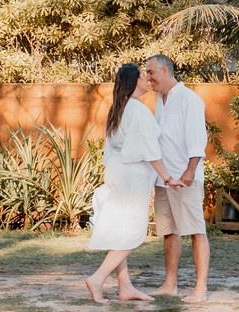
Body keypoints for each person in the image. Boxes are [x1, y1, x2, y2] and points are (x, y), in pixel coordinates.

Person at [85, 63, 178, 304]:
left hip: (118, 172)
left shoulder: (119, 107)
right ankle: (98, 278)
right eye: (143, 75)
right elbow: (149, 150)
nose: (147, 78)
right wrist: (167, 177)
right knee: (131, 231)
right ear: (134, 81)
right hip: (132, 177)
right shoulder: (137, 109)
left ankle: (125, 287)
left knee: (120, 231)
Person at [144, 54, 210, 304]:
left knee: (195, 230)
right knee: (169, 232)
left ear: (164, 71)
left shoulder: (189, 99)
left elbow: (196, 139)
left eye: (150, 73)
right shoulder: (160, 101)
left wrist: (190, 172)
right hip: (164, 179)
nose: (148, 78)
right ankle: (170, 284)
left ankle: (200, 289)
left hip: (184, 179)